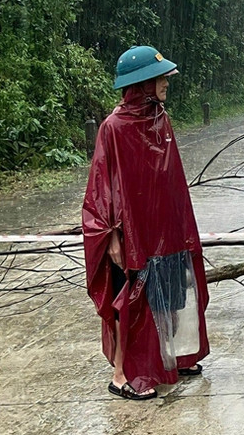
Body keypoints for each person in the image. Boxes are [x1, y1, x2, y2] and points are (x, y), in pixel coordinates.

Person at [83, 45, 210, 400]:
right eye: (160, 77)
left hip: (166, 229)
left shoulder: (160, 119)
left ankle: (171, 357)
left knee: (171, 294)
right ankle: (122, 374)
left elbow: (170, 180)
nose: (167, 81)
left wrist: (182, 226)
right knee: (132, 303)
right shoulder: (114, 127)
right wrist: (110, 237)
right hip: (133, 233)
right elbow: (101, 186)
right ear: (141, 83)